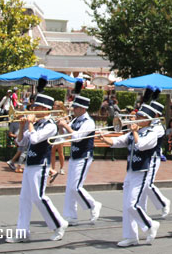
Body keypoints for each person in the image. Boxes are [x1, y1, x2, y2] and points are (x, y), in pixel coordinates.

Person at [98, 89, 161, 247]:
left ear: (147, 120)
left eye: (140, 117)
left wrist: (134, 131)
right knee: (126, 205)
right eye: (137, 117)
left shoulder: (152, 133)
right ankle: (131, 236)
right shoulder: (136, 132)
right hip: (131, 171)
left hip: (142, 172)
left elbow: (141, 146)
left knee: (133, 204)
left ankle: (150, 225)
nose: (136, 119)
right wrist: (104, 138)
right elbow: (119, 141)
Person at [6, 93, 68, 243]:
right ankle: (22, 233)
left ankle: (59, 224)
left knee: (39, 197)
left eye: (37, 107)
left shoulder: (50, 126)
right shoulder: (38, 124)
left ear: (46, 109)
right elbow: (21, 143)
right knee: (24, 199)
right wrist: (21, 126)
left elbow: (34, 138)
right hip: (30, 164)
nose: (33, 110)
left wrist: (30, 124)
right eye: (34, 107)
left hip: (40, 164)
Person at [57, 93, 102, 225]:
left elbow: (77, 137)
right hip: (74, 155)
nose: (73, 110)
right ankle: (70, 215)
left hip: (83, 156)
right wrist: (61, 126)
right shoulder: (75, 120)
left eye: (76, 108)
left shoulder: (89, 122)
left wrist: (66, 126)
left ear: (83, 109)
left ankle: (93, 205)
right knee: (70, 187)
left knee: (76, 187)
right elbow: (64, 136)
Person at [141, 87, 171, 219]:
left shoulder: (158, 127)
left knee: (148, 184)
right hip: (145, 156)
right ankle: (141, 209)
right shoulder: (150, 124)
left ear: (157, 115)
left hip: (153, 157)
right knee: (142, 184)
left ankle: (164, 203)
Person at [50, 101, 67, 177]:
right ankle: (53, 169)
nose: (53, 106)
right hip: (53, 135)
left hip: (59, 135)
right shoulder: (51, 114)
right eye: (53, 105)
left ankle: (61, 168)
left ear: (59, 107)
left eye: (55, 105)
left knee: (60, 152)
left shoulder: (63, 115)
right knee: (52, 152)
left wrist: (61, 122)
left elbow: (65, 127)